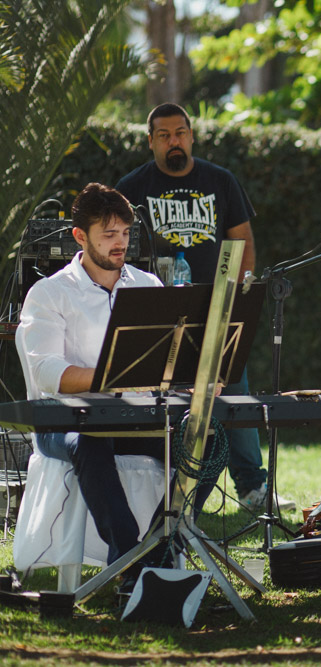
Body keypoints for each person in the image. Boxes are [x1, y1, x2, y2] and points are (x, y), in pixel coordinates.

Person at [18, 183, 217, 582]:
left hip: (137, 418)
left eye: (125, 233)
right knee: (90, 441)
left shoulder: (147, 285)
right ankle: (127, 559)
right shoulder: (51, 292)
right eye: (108, 234)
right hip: (64, 424)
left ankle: (162, 543)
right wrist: (118, 377)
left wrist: (188, 381)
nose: (120, 242)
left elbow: (168, 359)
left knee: (208, 439)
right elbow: (47, 373)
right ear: (80, 236)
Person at [116, 103, 293, 513]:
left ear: (191, 135)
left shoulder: (220, 181)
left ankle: (252, 489)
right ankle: (164, 487)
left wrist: (238, 302)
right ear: (151, 141)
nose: (173, 141)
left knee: (232, 394)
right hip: (158, 314)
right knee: (162, 399)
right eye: (164, 135)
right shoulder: (132, 186)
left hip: (217, 311)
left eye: (180, 133)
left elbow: (243, 241)